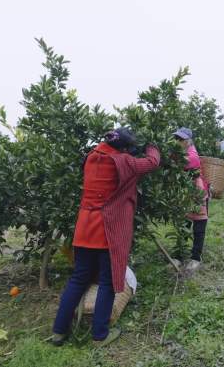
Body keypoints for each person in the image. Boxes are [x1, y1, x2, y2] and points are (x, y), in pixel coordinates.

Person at [51, 127, 160, 346]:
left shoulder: (91, 157)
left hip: (84, 228)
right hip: (106, 231)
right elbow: (151, 163)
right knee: (108, 282)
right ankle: (99, 335)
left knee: (78, 279)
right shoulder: (123, 161)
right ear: (124, 148)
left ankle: (59, 332)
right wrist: (153, 147)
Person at [174, 127, 209, 272]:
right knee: (183, 225)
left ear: (188, 141)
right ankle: (178, 256)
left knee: (198, 226)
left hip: (197, 193)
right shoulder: (180, 153)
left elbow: (182, 164)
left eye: (181, 139)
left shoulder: (192, 155)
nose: (178, 141)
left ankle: (195, 258)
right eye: (177, 138)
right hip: (185, 193)